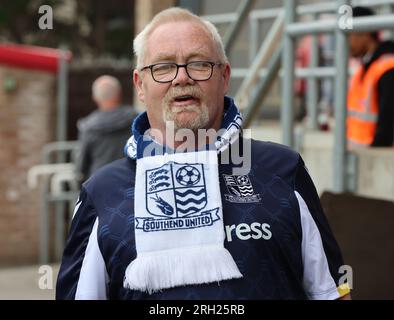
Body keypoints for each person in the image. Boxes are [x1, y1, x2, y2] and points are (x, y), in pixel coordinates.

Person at [56, 8, 351, 300]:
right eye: (163, 66)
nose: (181, 78)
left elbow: (331, 293)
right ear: (140, 85)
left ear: (224, 76)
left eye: (198, 64)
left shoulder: (283, 170)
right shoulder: (102, 192)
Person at [347, 6, 394, 147]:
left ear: (365, 33)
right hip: (362, 156)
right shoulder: (365, 67)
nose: (346, 42)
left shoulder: (387, 68)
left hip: (377, 160)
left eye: (349, 35)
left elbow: (387, 128)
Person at [75, 75, 137, 182]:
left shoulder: (88, 127)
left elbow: (81, 165)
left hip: (99, 185)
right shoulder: (136, 120)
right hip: (131, 183)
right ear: (119, 94)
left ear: (95, 98)